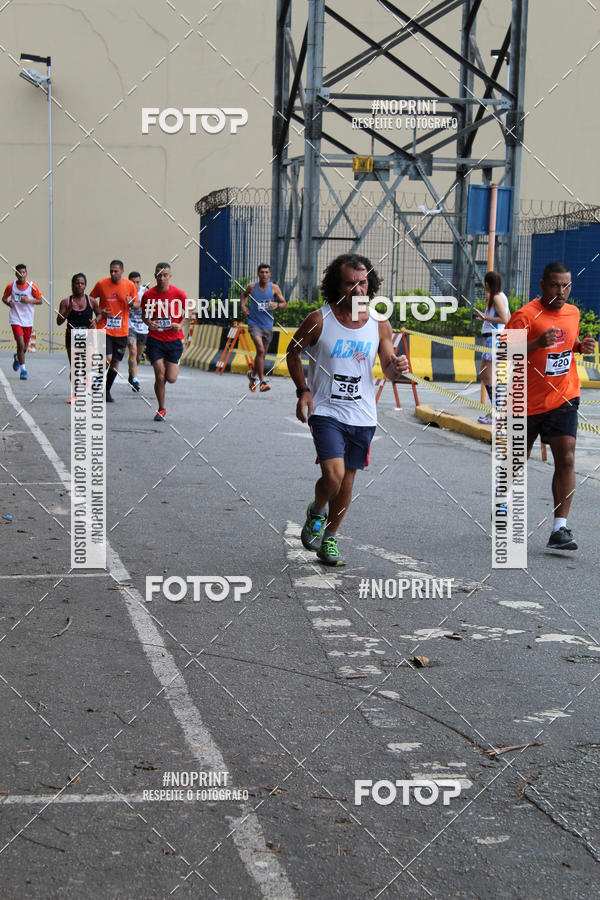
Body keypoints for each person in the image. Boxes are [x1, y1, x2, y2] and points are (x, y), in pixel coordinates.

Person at [287, 253, 409, 566]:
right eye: (350, 284)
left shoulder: (380, 323)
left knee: (347, 482)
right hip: (326, 410)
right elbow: (292, 352)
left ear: (371, 284)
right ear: (336, 286)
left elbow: (388, 369)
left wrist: (396, 367)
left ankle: (330, 537)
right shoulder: (319, 320)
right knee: (334, 475)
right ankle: (317, 510)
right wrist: (303, 391)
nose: (358, 290)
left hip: (362, 414)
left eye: (363, 283)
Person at [506, 261, 596, 550]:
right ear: (543, 285)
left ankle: (560, 529)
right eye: (556, 285)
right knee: (516, 460)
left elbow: (567, 343)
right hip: (525, 400)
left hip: (564, 396)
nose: (561, 291)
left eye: (566, 285)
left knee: (566, 458)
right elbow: (504, 350)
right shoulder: (525, 315)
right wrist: (535, 343)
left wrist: (580, 346)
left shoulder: (573, 313)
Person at [141, 263, 188, 422]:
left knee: (171, 378)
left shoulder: (179, 294)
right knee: (160, 376)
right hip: (155, 340)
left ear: (170, 276)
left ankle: (167, 375)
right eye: (159, 275)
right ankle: (161, 408)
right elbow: (144, 315)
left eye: (165, 275)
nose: (162, 278)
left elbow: (188, 313)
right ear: (155, 275)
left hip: (174, 341)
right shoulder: (148, 295)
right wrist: (149, 323)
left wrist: (180, 325)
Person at [90, 260, 139, 402]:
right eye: (111, 270)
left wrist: (132, 303)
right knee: (107, 358)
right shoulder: (101, 284)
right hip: (104, 327)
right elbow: (90, 298)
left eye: (116, 271)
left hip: (121, 330)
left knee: (115, 364)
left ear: (122, 271)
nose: (113, 273)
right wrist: (99, 311)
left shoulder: (129, 285)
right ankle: (97, 381)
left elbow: (137, 303)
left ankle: (106, 390)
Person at [240, 264, 287, 392]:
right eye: (262, 272)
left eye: (266, 272)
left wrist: (277, 305)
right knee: (260, 350)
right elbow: (244, 295)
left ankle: (252, 376)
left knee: (262, 354)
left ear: (270, 274)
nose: (264, 275)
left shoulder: (274, 288)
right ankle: (262, 381)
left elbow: (284, 304)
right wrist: (243, 306)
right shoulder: (252, 287)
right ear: (258, 274)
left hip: (267, 325)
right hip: (254, 323)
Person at [56, 273, 100, 402]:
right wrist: (68, 310)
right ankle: (75, 394)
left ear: (85, 285)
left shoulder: (91, 301)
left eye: (82, 283)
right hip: (72, 336)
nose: (79, 285)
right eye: (77, 283)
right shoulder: (65, 302)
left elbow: (100, 313)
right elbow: (59, 321)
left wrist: (95, 321)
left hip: (87, 336)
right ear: (72, 285)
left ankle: (87, 378)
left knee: (89, 363)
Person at [475, 271, 509, 425]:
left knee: (488, 376)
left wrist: (485, 317)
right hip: (495, 339)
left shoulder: (496, 297)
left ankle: (498, 412)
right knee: (486, 375)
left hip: (495, 339)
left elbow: (504, 318)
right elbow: (509, 317)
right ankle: (497, 410)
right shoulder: (501, 296)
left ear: (488, 283)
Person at [2, 264, 43, 380]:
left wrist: (29, 301)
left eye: (24, 272)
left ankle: (17, 357)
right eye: (19, 272)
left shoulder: (32, 286)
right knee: (20, 344)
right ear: (16, 274)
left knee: (24, 348)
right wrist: (8, 303)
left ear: (26, 273)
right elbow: (4, 298)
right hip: (15, 318)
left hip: (28, 320)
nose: (22, 274)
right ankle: (23, 370)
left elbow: (40, 301)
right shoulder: (11, 286)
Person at [127, 270, 149, 391]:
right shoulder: (126, 292)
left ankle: (131, 373)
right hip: (130, 326)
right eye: (132, 282)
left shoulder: (145, 291)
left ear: (140, 281)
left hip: (143, 327)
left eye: (137, 282)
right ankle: (135, 380)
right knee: (133, 351)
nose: (135, 285)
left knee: (138, 356)